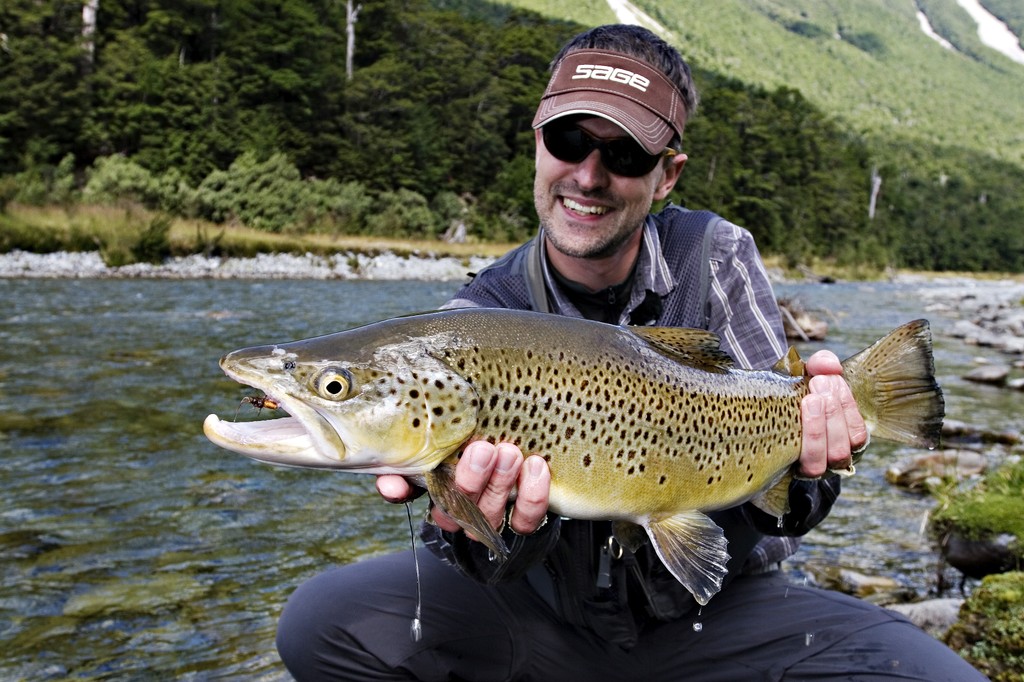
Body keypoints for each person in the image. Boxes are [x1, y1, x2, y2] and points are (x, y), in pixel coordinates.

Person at [276, 24, 985, 681]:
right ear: (536, 145)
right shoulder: (476, 315)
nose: (588, 176)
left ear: (666, 174)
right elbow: (474, 562)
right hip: (543, 619)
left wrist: (813, 457)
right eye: (566, 141)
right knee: (321, 622)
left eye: (623, 154)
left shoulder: (716, 255)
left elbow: (794, 502)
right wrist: (480, 523)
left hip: (721, 617)